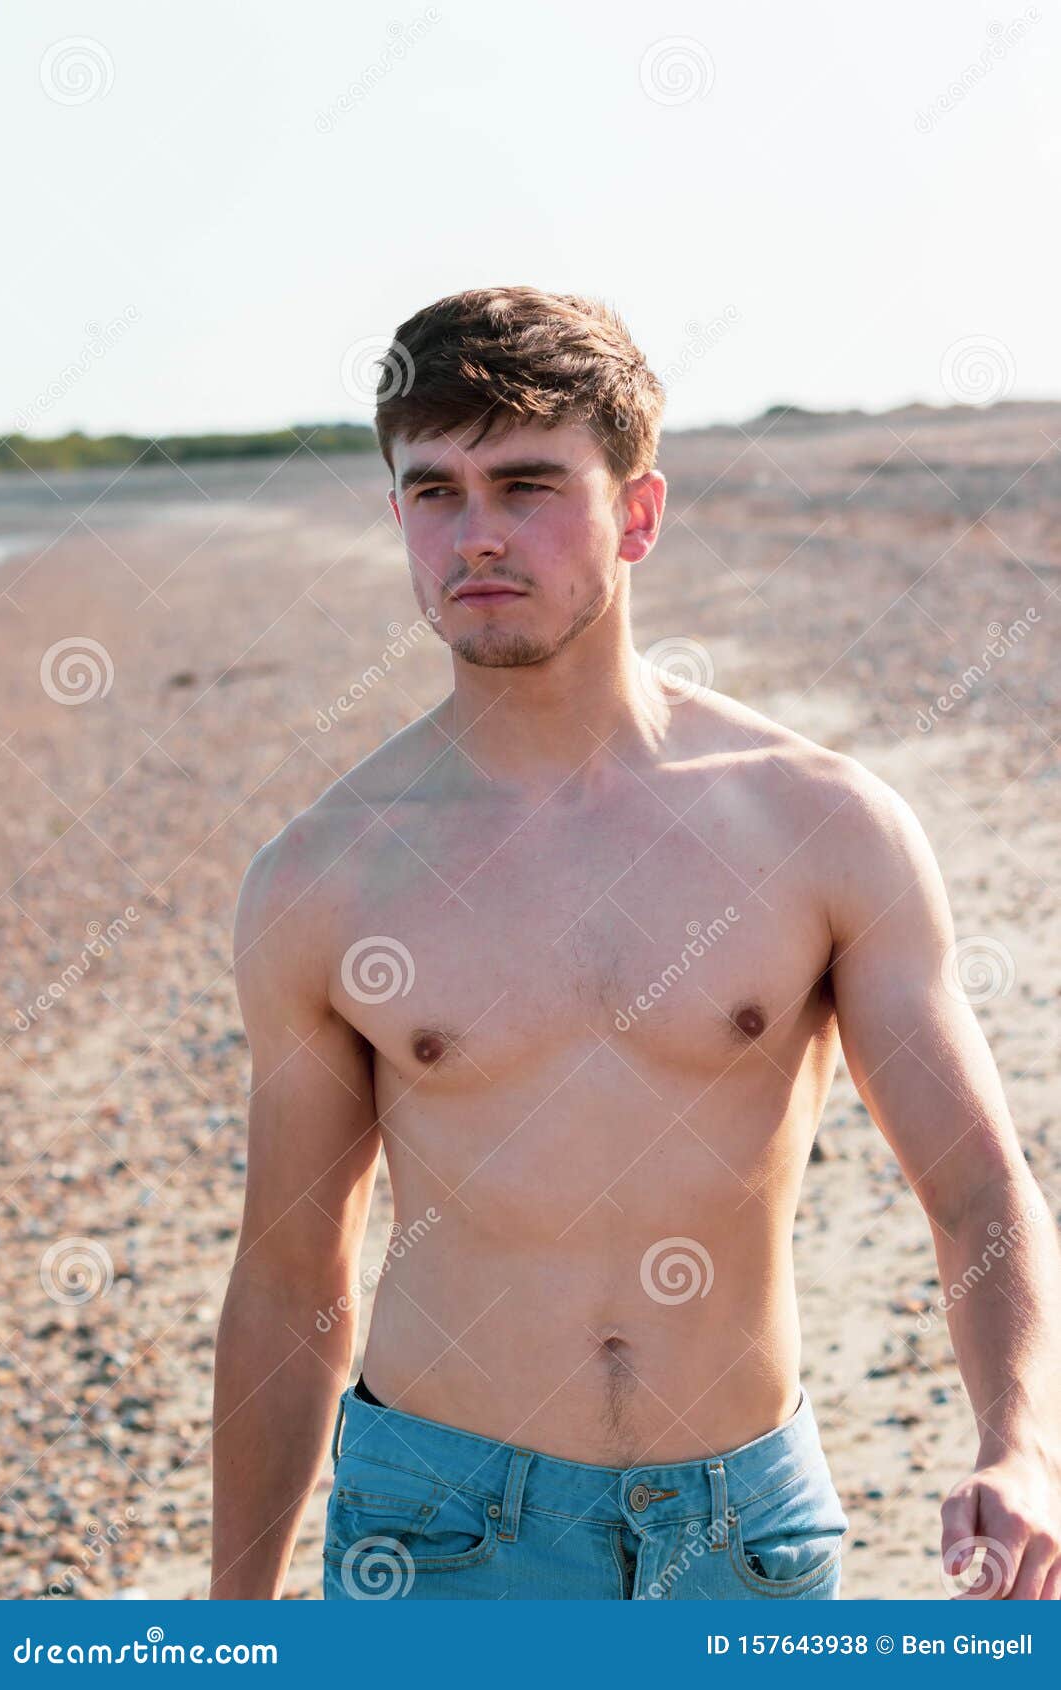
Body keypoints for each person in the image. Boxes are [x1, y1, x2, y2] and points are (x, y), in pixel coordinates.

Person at [209, 286, 1061, 1601]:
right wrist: (234, 1614)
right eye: (433, 491)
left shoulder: (817, 824)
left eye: (528, 483)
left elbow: (980, 1191)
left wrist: (1022, 1445)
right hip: (441, 1526)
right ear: (398, 521)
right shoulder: (328, 876)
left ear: (639, 513)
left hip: (745, 1530)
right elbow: (288, 1270)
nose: (477, 533)